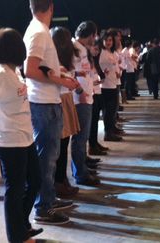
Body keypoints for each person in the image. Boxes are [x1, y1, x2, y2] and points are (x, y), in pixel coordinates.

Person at [0, 27, 42, 243]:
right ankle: (16, 236)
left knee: (35, 181)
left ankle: (21, 223)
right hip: (8, 141)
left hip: (25, 137)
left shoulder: (14, 70)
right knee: (14, 190)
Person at [23, 0, 79, 225]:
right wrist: (60, 79)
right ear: (52, 7)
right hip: (43, 103)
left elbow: (40, 66)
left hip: (47, 101)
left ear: (31, 6)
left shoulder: (39, 29)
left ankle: (48, 199)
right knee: (45, 159)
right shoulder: (38, 31)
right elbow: (30, 69)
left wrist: (59, 72)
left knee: (50, 158)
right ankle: (43, 208)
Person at [50, 26, 81, 197]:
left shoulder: (62, 59)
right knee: (60, 145)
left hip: (65, 98)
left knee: (63, 143)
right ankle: (58, 181)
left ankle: (61, 179)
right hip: (59, 100)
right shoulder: (53, 60)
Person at [71, 21, 101, 186]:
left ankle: (81, 167)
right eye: (94, 35)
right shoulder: (74, 48)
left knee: (82, 137)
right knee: (80, 138)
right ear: (90, 35)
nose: (95, 39)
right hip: (80, 98)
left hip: (86, 96)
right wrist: (80, 92)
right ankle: (80, 174)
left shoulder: (83, 49)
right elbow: (70, 72)